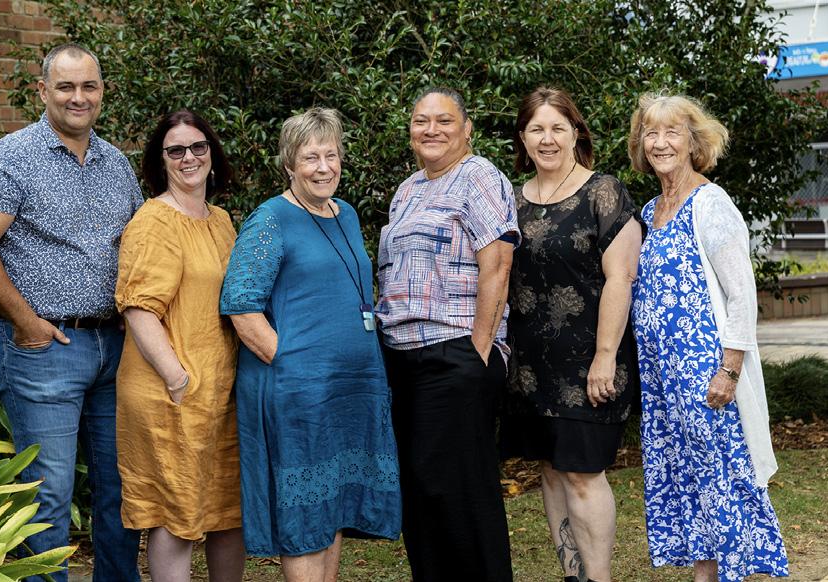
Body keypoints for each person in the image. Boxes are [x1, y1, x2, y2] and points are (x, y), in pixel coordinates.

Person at [0, 43, 141, 581]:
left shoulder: (115, 163)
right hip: (44, 349)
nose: (79, 97)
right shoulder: (11, 158)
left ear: (102, 92)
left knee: (120, 488)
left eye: (89, 86)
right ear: (42, 91)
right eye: (66, 86)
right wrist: (26, 320)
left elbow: (135, 243)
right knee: (48, 495)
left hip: (115, 348)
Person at [219, 107, 401, 582]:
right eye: (310, 157)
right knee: (303, 511)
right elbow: (241, 306)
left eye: (331, 155)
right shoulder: (270, 219)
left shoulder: (346, 214)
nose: (323, 167)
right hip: (299, 392)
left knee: (333, 502)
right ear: (289, 164)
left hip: (350, 389)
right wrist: (288, 362)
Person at [627, 92, 788, 582]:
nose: (660, 143)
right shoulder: (650, 210)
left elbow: (742, 293)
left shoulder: (710, 203)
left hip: (704, 373)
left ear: (694, 142)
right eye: (650, 133)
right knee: (686, 476)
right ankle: (706, 574)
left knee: (719, 475)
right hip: (662, 377)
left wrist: (729, 370)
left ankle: (729, 572)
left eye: (671, 132)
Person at [376, 86, 518, 582]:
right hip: (402, 359)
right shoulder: (407, 190)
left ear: (467, 129)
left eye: (444, 120)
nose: (431, 130)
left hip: (454, 352)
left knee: (459, 490)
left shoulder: (478, 176)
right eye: (421, 121)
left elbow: (498, 265)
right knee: (420, 489)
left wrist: (478, 352)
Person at [501, 87, 642, 582]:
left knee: (583, 475)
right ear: (522, 137)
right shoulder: (510, 200)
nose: (547, 138)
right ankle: (573, 576)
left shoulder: (603, 192)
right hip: (529, 369)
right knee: (552, 470)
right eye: (536, 129)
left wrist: (605, 357)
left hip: (589, 365)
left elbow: (621, 279)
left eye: (558, 128)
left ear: (575, 133)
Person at [114, 110, 244, 582]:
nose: (189, 157)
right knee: (177, 514)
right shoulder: (154, 221)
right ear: (161, 160)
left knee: (228, 511)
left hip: (222, 392)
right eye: (176, 150)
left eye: (198, 147)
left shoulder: (221, 220)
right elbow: (139, 309)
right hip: (171, 393)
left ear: (212, 153)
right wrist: (178, 378)